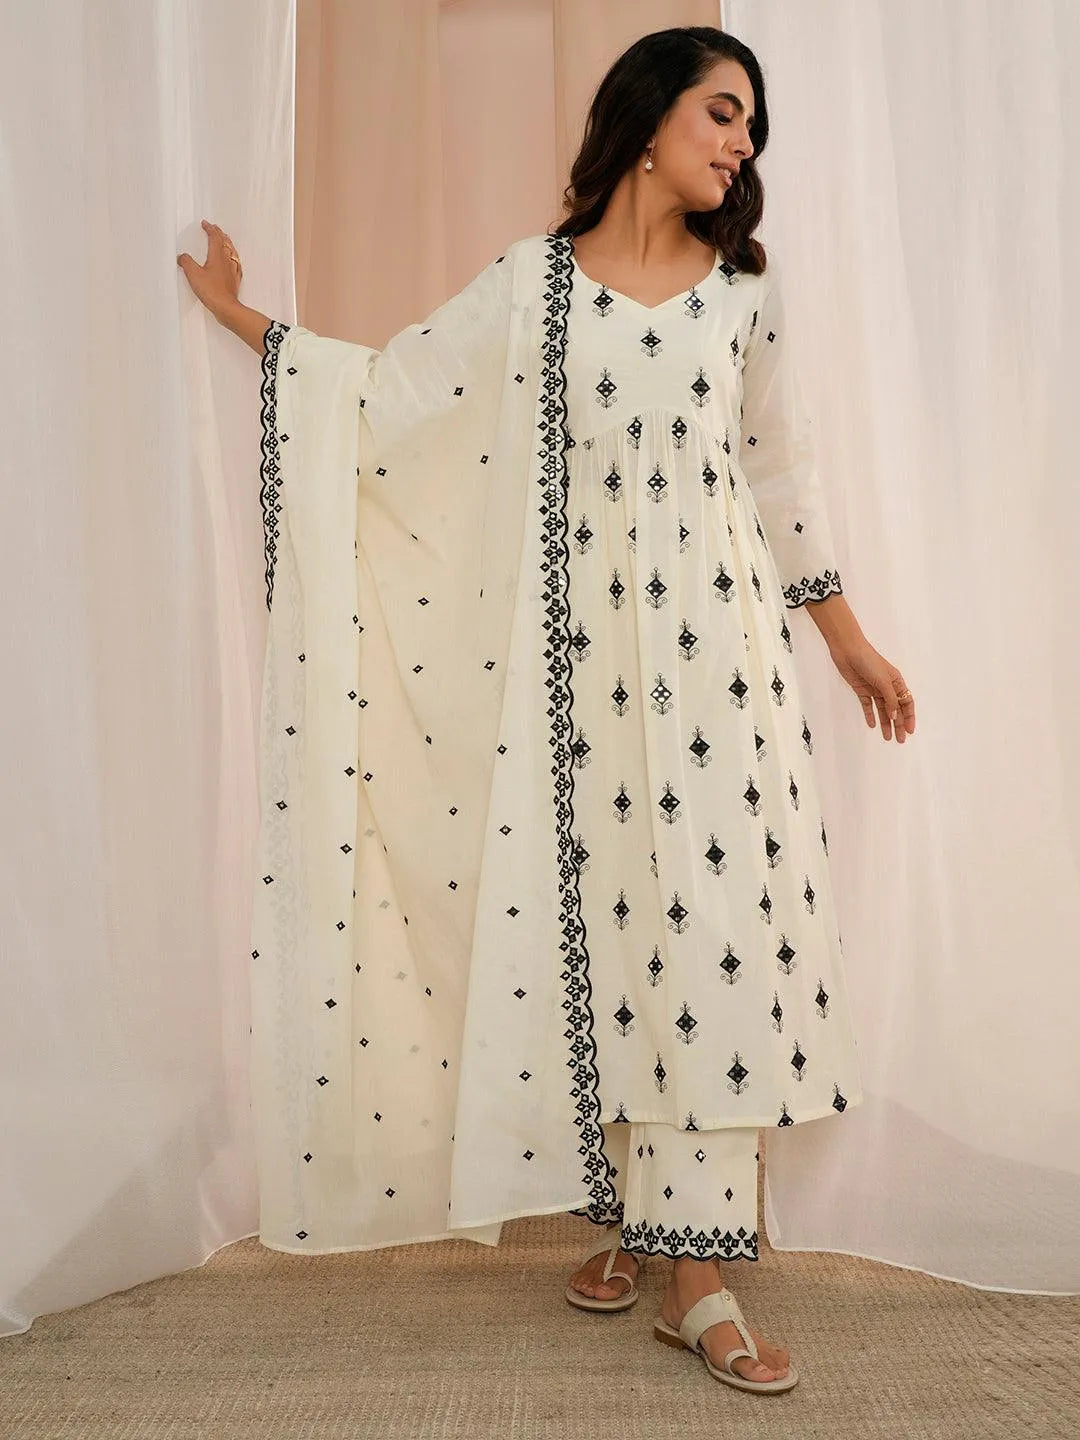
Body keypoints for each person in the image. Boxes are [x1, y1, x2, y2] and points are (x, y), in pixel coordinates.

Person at [179, 24, 914, 1399]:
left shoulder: (744, 294)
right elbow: (396, 392)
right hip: (585, 678)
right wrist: (242, 318)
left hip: (724, 670)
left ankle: (698, 1277)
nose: (743, 142)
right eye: (722, 112)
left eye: (751, 124)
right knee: (617, 927)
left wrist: (850, 643)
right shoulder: (538, 287)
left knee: (713, 932)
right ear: (649, 117)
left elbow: (781, 475)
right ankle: (641, 1221)